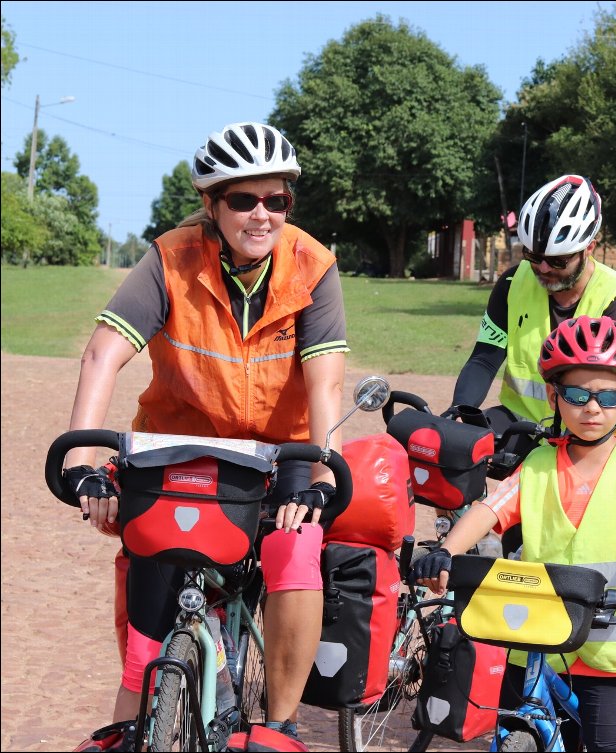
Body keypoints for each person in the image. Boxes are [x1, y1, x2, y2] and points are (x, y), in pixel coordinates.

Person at [64, 121, 349, 749]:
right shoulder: (170, 257)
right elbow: (102, 356)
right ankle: (140, 725)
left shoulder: (312, 265)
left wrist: (323, 471)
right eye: (243, 200)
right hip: (178, 445)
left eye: (276, 200)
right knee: (154, 567)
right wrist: (84, 459)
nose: (262, 215)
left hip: (283, 450)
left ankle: (278, 724)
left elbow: (326, 385)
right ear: (211, 205)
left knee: (295, 548)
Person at [414, 315, 616, 752]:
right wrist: (447, 551)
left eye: (609, 396)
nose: (592, 408)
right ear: (553, 396)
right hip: (537, 635)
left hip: (610, 640)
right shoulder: (540, 462)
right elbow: (491, 509)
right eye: (577, 395)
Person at [448, 175, 616, 448]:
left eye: (557, 260)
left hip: (596, 423)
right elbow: (484, 360)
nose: (542, 268)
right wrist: (459, 411)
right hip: (523, 421)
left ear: (589, 247)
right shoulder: (512, 283)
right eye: (533, 256)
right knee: (458, 447)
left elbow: (600, 389)